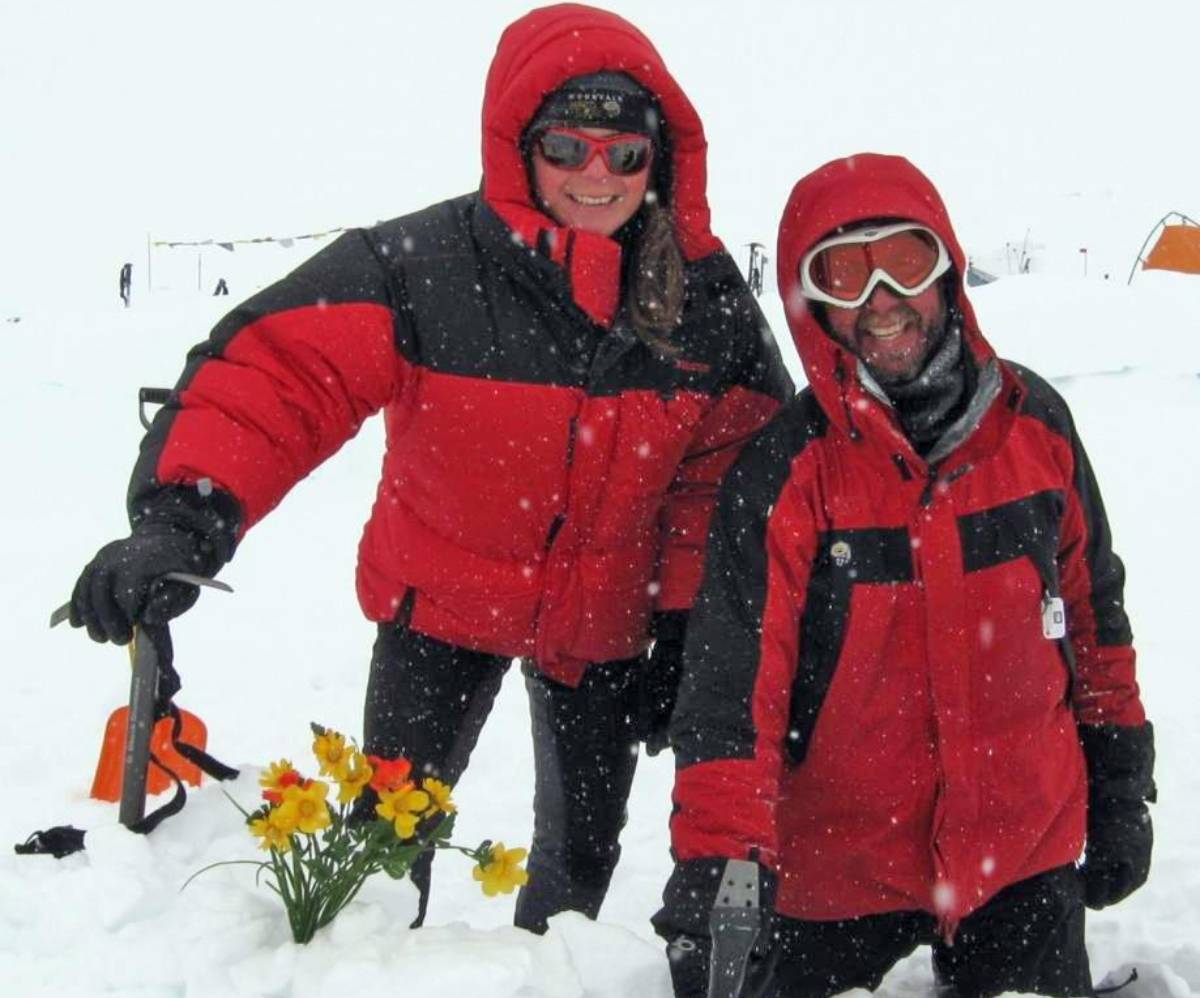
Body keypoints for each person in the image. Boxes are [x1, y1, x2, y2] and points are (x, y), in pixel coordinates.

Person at [66, 4, 791, 934]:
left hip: (603, 624)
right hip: (438, 608)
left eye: (624, 152)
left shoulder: (705, 298)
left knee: (581, 858)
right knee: (386, 842)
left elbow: (728, 477)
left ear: (662, 157)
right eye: (567, 147)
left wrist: (690, 626)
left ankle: (543, 975)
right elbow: (279, 377)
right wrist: (183, 513)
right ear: (517, 145)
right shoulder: (424, 265)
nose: (596, 175)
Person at [653, 154, 1154, 997]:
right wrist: (721, 870)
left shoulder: (1037, 429)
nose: (881, 300)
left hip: (1017, 852)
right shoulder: (786, 472)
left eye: (907, 262)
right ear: (811, 306)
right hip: (838, 870)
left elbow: (1095, 619)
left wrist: (1119, 779)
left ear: (948, 270)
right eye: (844, 274)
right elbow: (735, 698)